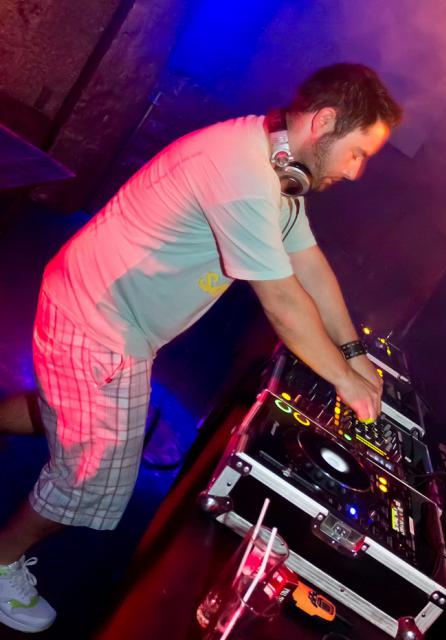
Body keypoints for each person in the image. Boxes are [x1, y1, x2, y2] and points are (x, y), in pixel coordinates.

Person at [0, 62, 402, 632]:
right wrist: (344, 381)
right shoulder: (243, 172)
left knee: (68, 408)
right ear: (324, 122)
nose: (357, 171)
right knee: (92, 479)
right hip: (99, 321)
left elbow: (309, 264)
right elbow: (283, 301)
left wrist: (355, 355)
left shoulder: (277, 168)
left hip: (105, 311)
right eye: (357, 152)